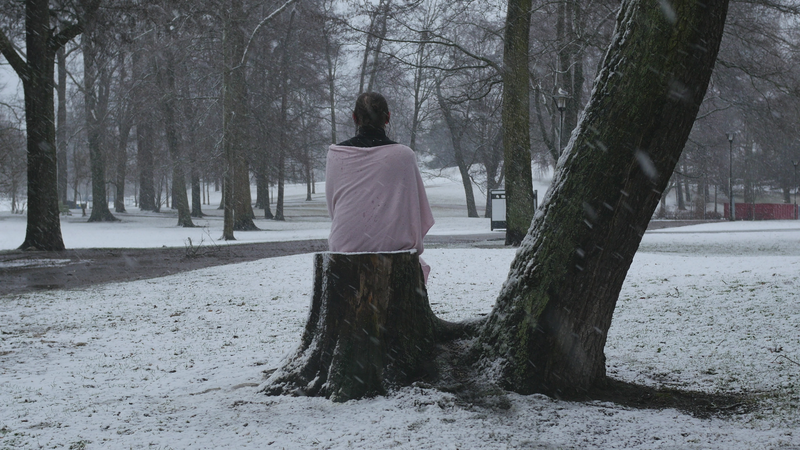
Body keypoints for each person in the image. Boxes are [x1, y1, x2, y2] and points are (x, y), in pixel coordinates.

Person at [325, 92, 434, 282]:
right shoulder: (403, 156)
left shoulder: (336, 155)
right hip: (394, 252)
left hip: (345, 248)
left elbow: (333, 207)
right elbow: (416, 210)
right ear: (387, 117)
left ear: (355, 118)